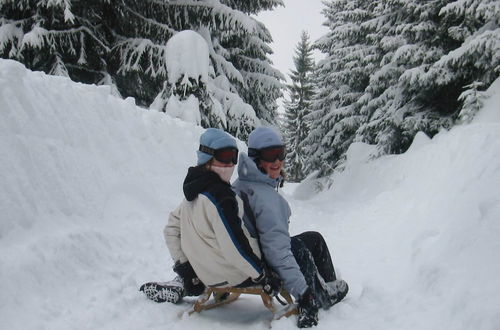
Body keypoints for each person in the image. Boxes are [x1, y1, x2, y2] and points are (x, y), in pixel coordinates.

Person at [140, 128, 279, 304]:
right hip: (238, 274)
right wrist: (262, 276)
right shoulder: (221, 197)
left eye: (233, 156)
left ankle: (185, 282)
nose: (230, 164)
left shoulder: (193, 193)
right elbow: (235, 247)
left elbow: (171, 230)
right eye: (224, 156)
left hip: (206, 274)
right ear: (207, 157)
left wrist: (186, 269)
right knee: (300, 244)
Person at [233, 126, 348, 328]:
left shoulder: (241, 184)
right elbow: (277, 252)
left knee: (314, 238)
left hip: (253, 254)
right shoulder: (266, 199)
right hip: (266, 264)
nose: (277, 161)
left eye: (281, 153)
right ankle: (321, 295)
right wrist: (304, 294)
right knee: (299, 249)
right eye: (270, 155)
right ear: (255, 158)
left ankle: (326, 281)